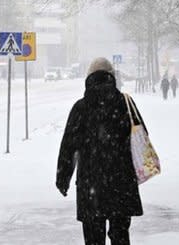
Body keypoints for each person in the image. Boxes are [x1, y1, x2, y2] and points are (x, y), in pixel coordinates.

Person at [57, 57, 146, 245]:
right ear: (112, 76)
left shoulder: (81, 108)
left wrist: (63, 179)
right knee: (120, 236)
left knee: (93, 238)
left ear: (89, 77)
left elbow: (68, 146)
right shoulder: (124, 103)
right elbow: (142, 135)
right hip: (121, 182)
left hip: (91, 185)